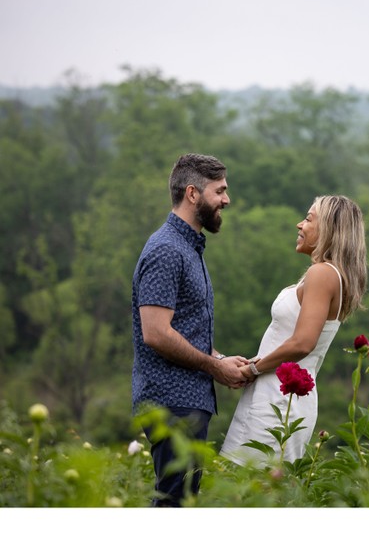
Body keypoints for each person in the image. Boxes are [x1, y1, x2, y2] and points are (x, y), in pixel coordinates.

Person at [131, 153, 249, 507]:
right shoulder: (167, 250)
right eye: (221, 191)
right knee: (173, 505)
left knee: (180, 502)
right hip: (171, 401)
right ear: (193, 193)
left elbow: (183, 328)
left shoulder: (188, 247)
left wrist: (221, 359)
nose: (227, 200)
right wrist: (215, 367)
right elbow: (155, 332)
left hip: (186, 399)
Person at [220, 195, 367, 467]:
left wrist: (253, 369)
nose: (299, 224)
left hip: (278, 401)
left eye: (309, 219)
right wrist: (255, 363)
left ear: (330, 230)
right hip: (275, 395)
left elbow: (302, 343)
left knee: (247, 492)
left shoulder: (322, 274)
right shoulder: (326, 275)